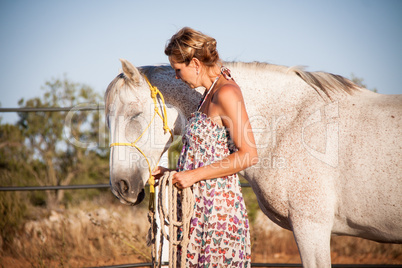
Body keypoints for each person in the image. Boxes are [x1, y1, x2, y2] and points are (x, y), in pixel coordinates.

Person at [152, 27, 258, 267]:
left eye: (178, 70)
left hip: (216, 211)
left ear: (196, 63)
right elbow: (207, 155)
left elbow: (249, 155)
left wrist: (193, 176)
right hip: (198, 208)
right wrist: (171, 174)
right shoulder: (208, 96)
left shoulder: (227, 93)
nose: (177, 77)